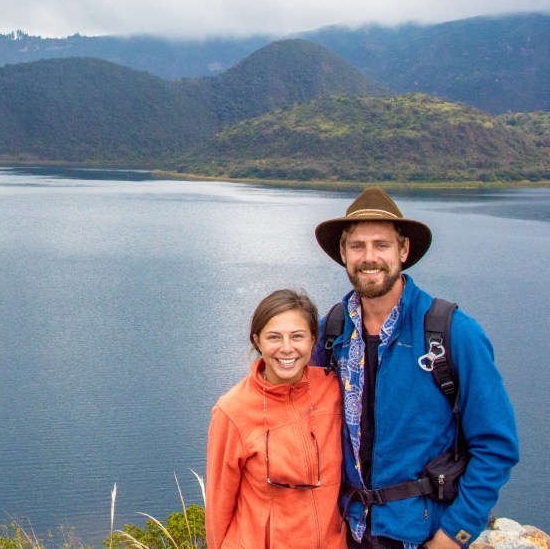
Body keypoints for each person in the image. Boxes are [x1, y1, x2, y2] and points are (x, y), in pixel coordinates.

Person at [310, 187, 519, 549]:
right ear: (343, 253)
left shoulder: (452, 333)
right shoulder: (332, 331)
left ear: (403, 251)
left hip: (419, 536)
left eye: (382, 245)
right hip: (347, 531)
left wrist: (454, 536)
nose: (369, 257)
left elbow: (496, 446)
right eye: (357, 246)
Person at [206, 289, 347, 549]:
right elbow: (218, 509)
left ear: (313, 340)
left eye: (297, 336)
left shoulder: (334, 390)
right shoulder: (233, 410)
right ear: (257, 341)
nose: (286, 348)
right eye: (274, 337)